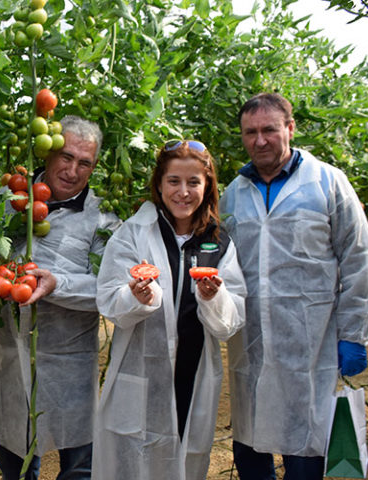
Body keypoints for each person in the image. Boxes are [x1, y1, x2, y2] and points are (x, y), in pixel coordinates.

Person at [220, 93, 368, 479]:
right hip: (251, 342)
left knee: (306, 446)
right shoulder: (232, 194)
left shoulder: (326, 182)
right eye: (250, 132)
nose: (260, 141)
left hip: (312, 342)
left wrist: (354, 333)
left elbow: (358, 259)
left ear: (289, 129)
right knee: (251, 444)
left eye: (269, 130)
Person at [0, 115, 121, 480]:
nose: (72, 170)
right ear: (47, 153)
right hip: (8, 353)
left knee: (78, 465)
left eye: (84, 163)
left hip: (68, 362)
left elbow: (109, 289)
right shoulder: (9, 199)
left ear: (94, 167)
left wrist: (60, 284)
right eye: (65, 157)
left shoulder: (103, 220)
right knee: (15, 461)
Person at [93, 140, 246, 479]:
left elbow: (230, 321)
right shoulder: (133, 233)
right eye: (174, 181)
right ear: (159, 185)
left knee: (186, 460)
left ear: (207, 187)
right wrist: (138, 298)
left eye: (194, 182)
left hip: (195, 375)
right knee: (133, 461)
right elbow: (108, 300)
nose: (183, 191)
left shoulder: (218, 243)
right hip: (140, 374)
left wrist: (212, 298)